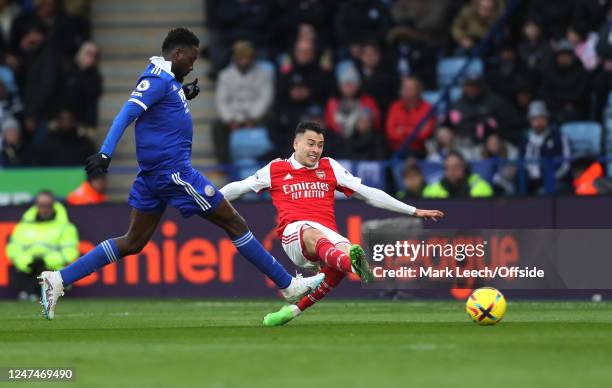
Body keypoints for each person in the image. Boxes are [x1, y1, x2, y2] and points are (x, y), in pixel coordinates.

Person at [38, 28, 324, 320]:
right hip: (173, 173)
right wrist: (105, 152)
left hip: (153, 177)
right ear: (177, 53)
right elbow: (126, 114)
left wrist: (182, 94)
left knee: (133, 241)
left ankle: (58, 279)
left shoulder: (168, 81)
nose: (193, 64)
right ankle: (287, 285)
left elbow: (160, 108)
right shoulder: (156, 80)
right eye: (191, 57)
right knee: (234, 223)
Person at [220, 121, 444, 326]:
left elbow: (367, 193)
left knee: (342, 256)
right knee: (316, 235)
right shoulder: (275, 169)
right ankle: (351, 264)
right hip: (295, 233)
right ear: (296, 143)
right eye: (310, 144)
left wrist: (412, 210)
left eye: (320, 145)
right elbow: (239, 188)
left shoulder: (329, 167)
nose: (316, 150)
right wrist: (208, 202)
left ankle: (293, 310)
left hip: (327, 237)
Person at [6, 191, 78, 301]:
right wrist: (27, 262)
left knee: (44, 272)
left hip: (52, 269)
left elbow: (70, 252)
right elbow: (13, 248)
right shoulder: (24, 225)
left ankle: (29, 293)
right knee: (21, 271)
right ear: (36, 205)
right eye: (41, 205)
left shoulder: (65, 226)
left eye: (47, 205)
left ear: (53, 205)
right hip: (28, 269)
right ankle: (30, 293)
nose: (44, 208)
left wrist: (46, 261)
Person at [213, 40, 274, 162]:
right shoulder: (225, 75)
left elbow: (265, 98)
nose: (244, 61)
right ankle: (224, 163)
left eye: (247, 57)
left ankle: (269, 160)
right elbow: (221, 101)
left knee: (274, 121)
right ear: (235, 58)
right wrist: (230, 119)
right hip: (233, 117)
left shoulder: (263, 74)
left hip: (257, 116)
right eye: (241, 57)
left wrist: (251, 118)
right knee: (217, 126)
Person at [520, 101, 571, 195]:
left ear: (547, 118)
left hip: (555, 180)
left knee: (544, 192)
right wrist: (534, 175)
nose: (538, 122)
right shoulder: (526, 139)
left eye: (541, 118)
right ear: (529, 120)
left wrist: (549, 177)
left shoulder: (558, 136)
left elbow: (566, 164)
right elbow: (523, 162)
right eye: (534, 119)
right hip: (531, 181)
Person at [385, 76, 435, 157]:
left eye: (410, 88)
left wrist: (402, 130)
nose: (407, 91)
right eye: (405, 88)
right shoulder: (394, 107)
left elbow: (424, 134)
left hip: (419, 151)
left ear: (418, 90)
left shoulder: (427, 108)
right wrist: (414, 130)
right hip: (396, 150)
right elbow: (391, 133)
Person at [423, 151, 493, 198]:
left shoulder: (480, 187)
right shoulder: (432, 191)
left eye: (455, 167)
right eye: (448, 168)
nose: (451, 172)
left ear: (464, 167)